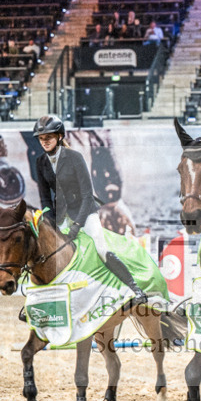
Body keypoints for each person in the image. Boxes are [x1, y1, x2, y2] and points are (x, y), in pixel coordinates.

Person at [33, 114, 146, 302]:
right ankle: (40, 298)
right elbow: (45, 197)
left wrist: (77, 224)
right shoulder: (40, 162)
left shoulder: (74, 158)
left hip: (84, 211)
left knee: (101, 249)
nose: (45, 142)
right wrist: (49, 221)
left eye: (49, 138)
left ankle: (134, 290)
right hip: (60, 215)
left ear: (59, 137)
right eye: (42, 139)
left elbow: (87, 194)